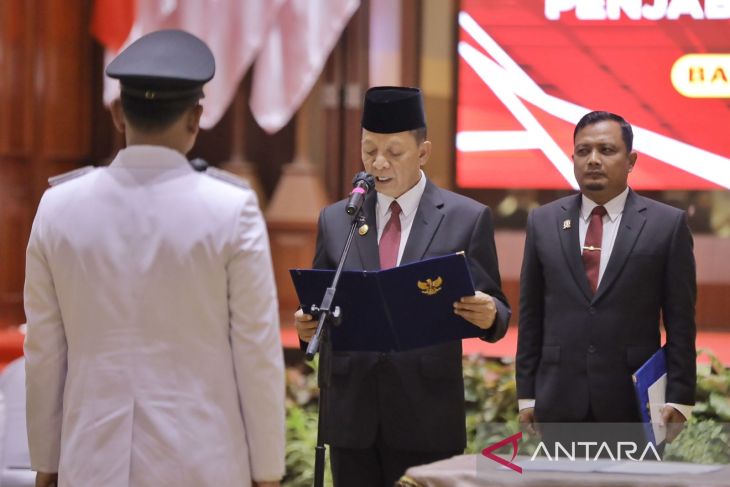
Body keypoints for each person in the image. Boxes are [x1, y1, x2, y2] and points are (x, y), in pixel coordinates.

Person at [24, 30, 285, 487]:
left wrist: (46, 464)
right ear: (196, 118)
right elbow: (256, 352)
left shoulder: (59, 207)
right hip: (202, 463)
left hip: (90, 463)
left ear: (117, 113)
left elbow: (45, 352)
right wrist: (267, 473)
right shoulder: (232, 210)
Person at [295, 86, 511, 487]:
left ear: (423, 153)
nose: (379, 163)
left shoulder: (465, 218)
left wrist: (489, 313)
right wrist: (309, 324)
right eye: (369, 150)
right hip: (352, 418)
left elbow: (497, 308)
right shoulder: (337, 219)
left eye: (394, 152)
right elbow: (321, 301)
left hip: (425, 415)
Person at [517, 111, 696, 444]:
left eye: (606, 150)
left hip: (632, 403)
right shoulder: (543, 222)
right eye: (583, 152)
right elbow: (530, 316)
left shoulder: (666, 225)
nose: (593, 160)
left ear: (631, 160)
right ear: (572, 159)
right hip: (557, 400)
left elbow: (681, 321)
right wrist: (527, 394)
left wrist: (680, 397)